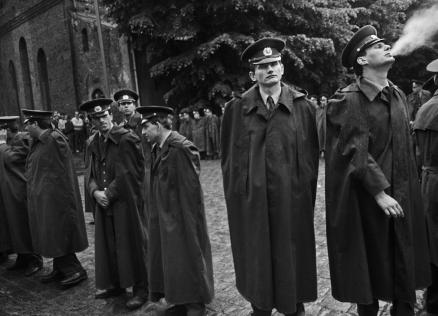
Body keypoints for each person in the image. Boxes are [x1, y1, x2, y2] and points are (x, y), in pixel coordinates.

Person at [325, 25, 431, 316]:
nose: (387, 47)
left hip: (403, 195)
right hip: (367, 202)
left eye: (387, 44)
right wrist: (380, 192)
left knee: (404, 264)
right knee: (368, 269)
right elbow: (354, 150)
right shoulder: (347, 99)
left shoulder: (396, 93)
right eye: (378, 45)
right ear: (362, 60)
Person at [221, 37, 319, 316]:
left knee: (292, 251)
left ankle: (294, 305)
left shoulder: (303, 107)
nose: (270, 69)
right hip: (253, 201)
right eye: (262, 67)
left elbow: (311, 159)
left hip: (292, 198)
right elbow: (230, 162)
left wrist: (302, 194)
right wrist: (241, 198)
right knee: (257, 252)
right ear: (253, 74)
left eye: (274, 63)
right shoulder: (237, 109)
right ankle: (260, 306)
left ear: (283, 68)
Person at [138, 105, 214, 316]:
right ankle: (180, 300)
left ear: (158, 124)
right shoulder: (159, 147)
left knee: (189, 257)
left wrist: (183, 222)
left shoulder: (179, 148)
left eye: (146, 127)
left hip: (181, 218)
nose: (143, 133)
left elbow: (190, 192)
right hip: (165, 215)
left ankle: (196, 304)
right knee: (172, 261)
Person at [79, 99, 149, 310]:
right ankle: (117, 284)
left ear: (111, 114)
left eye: (104, 116)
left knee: (133, 242)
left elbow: (131, 172)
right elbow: (89, 172)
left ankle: (141, 288)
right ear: (90, 121)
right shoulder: (92, 142)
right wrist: (94, 192)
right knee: (110, 244)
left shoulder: (126, 138)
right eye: (96, 118)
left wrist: (108, 193)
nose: (102, 121)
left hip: (125, 202)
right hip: (103, 202)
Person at [23, 109, 88, 288]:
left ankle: (75, 270)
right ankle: (61, 267)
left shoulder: (54, 139)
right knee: (52, 234)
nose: (26, 128)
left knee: (58, 232)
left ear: (35, 124)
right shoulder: (39, 142)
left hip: (56, 198)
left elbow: (63, 171)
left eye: (28, 124)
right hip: (45, 197)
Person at [0, 116, 43, 276]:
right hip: (9, 192)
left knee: (24, 225)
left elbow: (11, 158)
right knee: (14, 226)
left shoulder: (22, 139)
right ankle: (22, 257)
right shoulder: (10, 142)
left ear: (6, 129)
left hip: (20, 190)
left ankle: (34, 258)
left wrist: (2, 144)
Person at [413, 58, 438, 316]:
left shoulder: (425, 109)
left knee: (432, 243)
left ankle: (432, 302)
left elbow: (416, 153)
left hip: (428, 183)